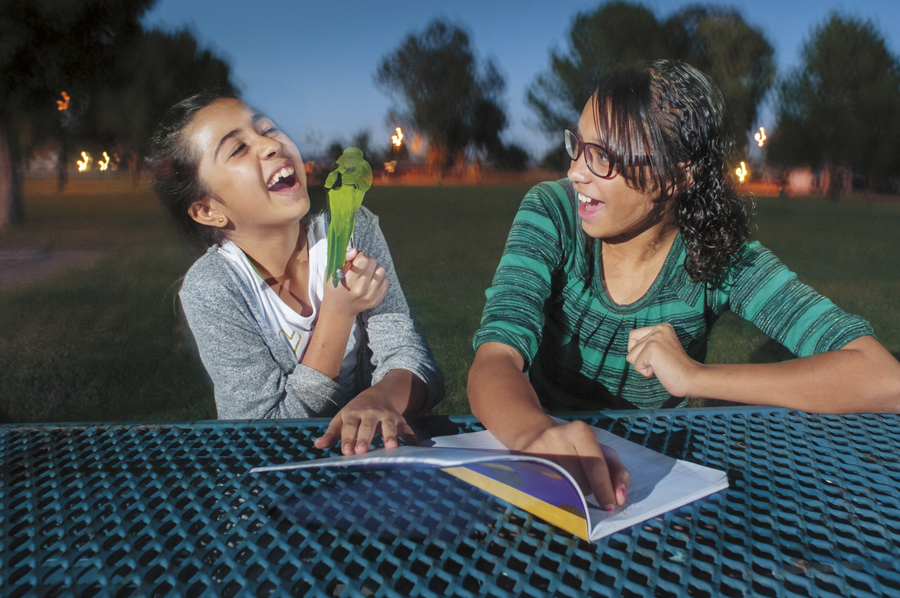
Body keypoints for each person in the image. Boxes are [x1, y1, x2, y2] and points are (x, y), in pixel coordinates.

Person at [468, 60, 900, 511]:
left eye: (604, 156)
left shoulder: (719, 257)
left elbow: (883, 378)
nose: (577, 171)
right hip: (547, 470)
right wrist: (537, 434)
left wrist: (698, 377)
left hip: (653, 488)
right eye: (577, 146)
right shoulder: (551, 213)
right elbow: (494, 358)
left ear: (679, 175)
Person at [152, 91, 443, 454]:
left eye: (267, 128)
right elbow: (259, 433)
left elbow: (412, 357)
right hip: (283, 484)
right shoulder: (213, 287)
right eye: (237, 149)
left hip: (377, 459)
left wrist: (382, 397)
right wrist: (337, 313)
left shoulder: (354, 229)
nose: (270, 144)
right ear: (209, 211)